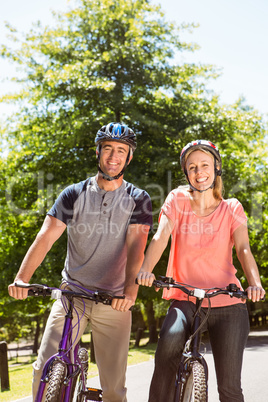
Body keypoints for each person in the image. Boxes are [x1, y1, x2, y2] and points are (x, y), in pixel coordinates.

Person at [9, 122, 153, 402]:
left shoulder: (139, 199)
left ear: (129, 157)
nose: (114, 156)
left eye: (121, 150)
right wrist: (22, 279)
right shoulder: (73, 194)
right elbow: (45, 238)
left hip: (114, 300)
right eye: (108, 149)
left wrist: (130, 292)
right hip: (71, 295)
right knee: (44, 369)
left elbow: (137, 247)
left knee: (113, 389)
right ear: (98, 152)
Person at [137, 139, 265, 402]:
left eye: (204, 165)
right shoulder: (177, 199)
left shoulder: (232, 207)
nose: (199, 171)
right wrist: (145, 270)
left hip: (228, 302)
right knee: (167, 353)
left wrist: (255, 283)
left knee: (230, 389)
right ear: (186, 173)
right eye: (192, 167)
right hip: (185, 299)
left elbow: (243, 249)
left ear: (216, 167)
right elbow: (161, 236)